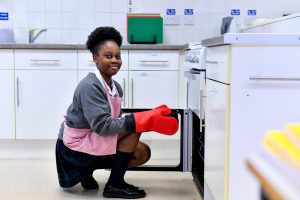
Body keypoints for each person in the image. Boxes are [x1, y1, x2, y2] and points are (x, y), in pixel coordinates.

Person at [55, 26, 179, 199]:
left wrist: (146, 118)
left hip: (89, 139)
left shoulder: (116, 88)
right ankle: (114, 184)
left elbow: (112, 123)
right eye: (108, 56)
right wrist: (142, 120)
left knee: (142, 152)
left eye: (118, 56)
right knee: (135, 127)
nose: (115, 60)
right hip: (73, 149)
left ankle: (87, 172)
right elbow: (102, 127)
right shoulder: (90, 86)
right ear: (95, 58)